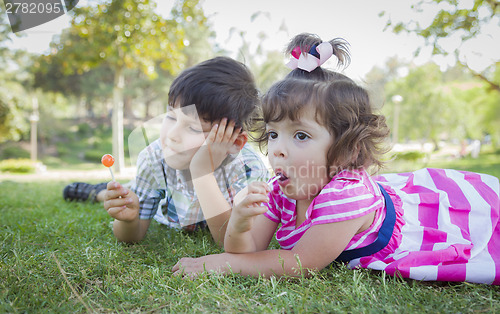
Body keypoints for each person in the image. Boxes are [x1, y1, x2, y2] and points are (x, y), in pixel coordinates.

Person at [172, 36, 500, 284]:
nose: (278, 150)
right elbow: (246, 250)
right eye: (273, 134)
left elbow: (301, 262)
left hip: (421, 221)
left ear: (346, 149)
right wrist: (241, 225)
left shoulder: (345, 194)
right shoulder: (279, 189)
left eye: (300, 135)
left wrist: (219, 263)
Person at [65, 57, 268, 245]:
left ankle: (102, 190)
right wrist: (128, 220)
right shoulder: (155, 156)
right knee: (129, 192)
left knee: (135, 187)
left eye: (193, 128)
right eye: (171, 117)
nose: (172, 134)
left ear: (234, 142)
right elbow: (133, 236)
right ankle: (97, 192)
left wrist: (202, 173)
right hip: (166, 206)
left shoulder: (249, 169)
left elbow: (229, 241)